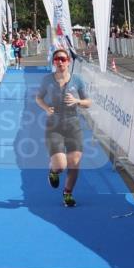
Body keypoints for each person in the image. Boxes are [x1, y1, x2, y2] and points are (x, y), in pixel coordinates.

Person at [34, 49, 91, 207]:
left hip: (73, 125)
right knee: (60, 166)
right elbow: (38, 98)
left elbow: (88, 102)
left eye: (63, 59)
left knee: (74, 163)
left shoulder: (77, 80)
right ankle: (53, 170)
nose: (59, 62)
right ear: (53, 62)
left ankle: (68, 193)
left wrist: (77, 101)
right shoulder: (47, 80)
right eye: (56, 59)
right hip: (54, 126)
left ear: (68, 61)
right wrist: (46, 108)